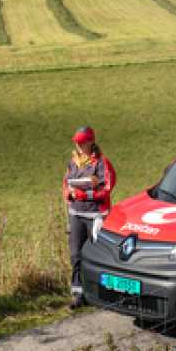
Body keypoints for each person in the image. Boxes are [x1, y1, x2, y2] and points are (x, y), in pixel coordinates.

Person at [62, 126, 116, 309]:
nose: (78, 144)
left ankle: (103, 294)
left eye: (82, 141)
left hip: (95, 216)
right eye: (76, 141)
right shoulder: (73, 162)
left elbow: (107, 188)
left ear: (91, 141)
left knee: (97, 255)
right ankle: (78, 294)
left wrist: (85, 195)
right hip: (76, 214)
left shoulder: (102, 163)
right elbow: (65, 184)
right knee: (76, 255)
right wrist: (69, 195)